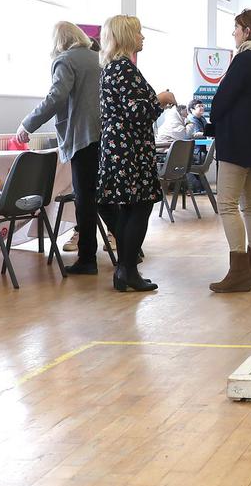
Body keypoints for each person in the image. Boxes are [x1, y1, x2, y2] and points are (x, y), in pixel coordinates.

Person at [15, 21, 102, 276]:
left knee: (85, 199)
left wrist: (27, 124)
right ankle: (129, 251)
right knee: (100, 196)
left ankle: (87, 259)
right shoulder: (98, 58)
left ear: (58, 41)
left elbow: (56, 97)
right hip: (103, 135)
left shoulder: (66, 60)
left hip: (81, 137)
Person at [96, 16, 176, 293]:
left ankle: (126, 269)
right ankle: (127, 269)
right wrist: (160, 100)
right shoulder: (123, 69)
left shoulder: (112, 68)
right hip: (129, 149)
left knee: (133, 207)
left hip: (121, 147)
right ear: (127, 36)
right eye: (139, 32)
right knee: (139, 207)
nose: (143, 37)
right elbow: (136, 113)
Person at [208, 9, 251, 294]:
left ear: (247, 31)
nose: (233, 33)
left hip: (236, 140)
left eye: (236, 28)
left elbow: (223, 99)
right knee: (250, 203)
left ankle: (238, 271)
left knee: (227, 204)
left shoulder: (243, 61)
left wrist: (212, 116)